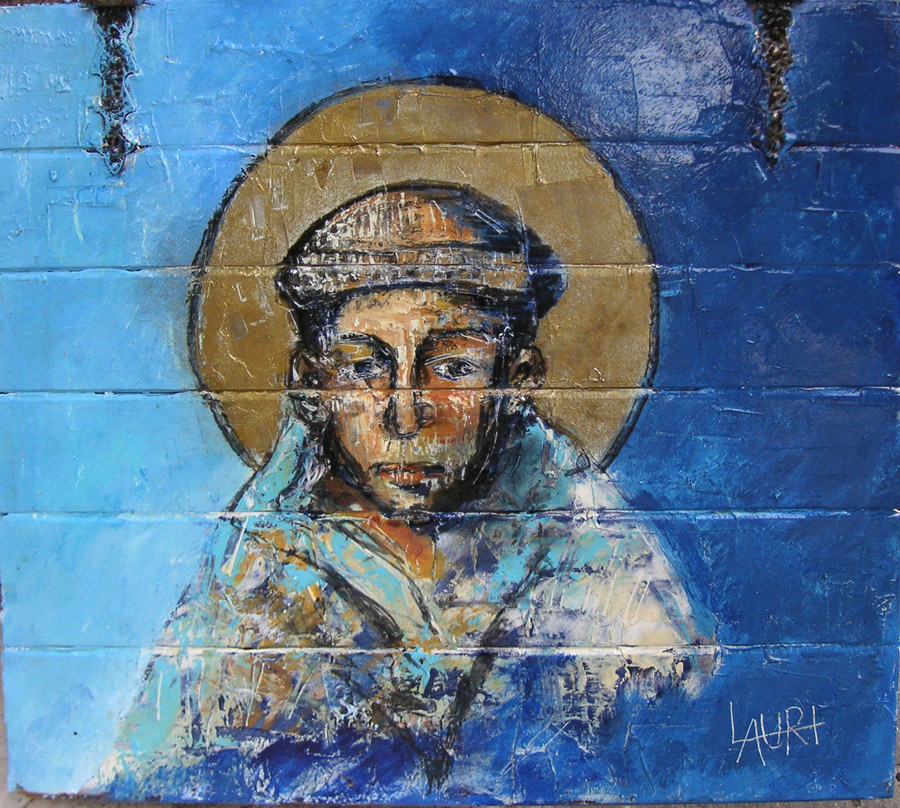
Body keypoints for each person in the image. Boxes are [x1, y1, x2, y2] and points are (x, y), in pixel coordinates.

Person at [98, 185, 714, 802]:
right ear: (312, 384)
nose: (406, 414)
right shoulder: (260, 576)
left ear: (518, 379)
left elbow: (670, 748)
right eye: (363, 367)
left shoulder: (598, 560)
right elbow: (168, 774)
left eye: (452, 368)